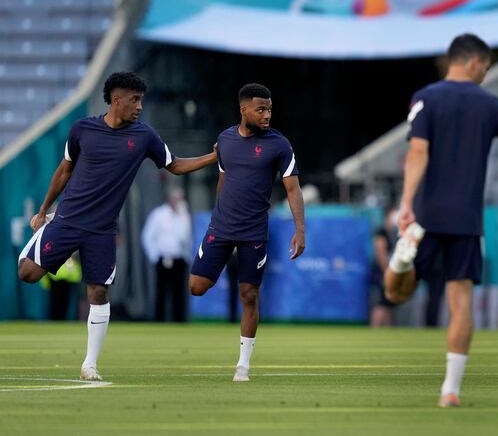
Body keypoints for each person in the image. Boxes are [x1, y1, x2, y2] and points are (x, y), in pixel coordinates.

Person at [17, 71, 218, 381]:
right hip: (67, 220)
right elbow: (63, 171)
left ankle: (90, 364)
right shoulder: (82, 129)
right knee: (27, 274)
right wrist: (44, 211)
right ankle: (45, 232)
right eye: (134, 100)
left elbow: (175, 166)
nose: (139, 106)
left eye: (141, 100)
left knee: (98, 291)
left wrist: (214, 157)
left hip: (102, 230)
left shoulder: (144, 136)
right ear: (115, 99)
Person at [383, 33, 498, 408]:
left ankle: (402, 258)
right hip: (467, 222)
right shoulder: (493, 105)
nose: (487, 74)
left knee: (396, 292)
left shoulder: (425, 98)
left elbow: (417, 152)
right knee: (461, 304)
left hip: (425, 216)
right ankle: (450, 391)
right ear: (474, 62)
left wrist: (406, 202)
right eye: (486, 67)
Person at [188, 83, 306, 382]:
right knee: (196, 287)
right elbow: (223, 180)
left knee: (249, 294)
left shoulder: (279, 145)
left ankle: (243, 366)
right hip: (221, 227)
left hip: (254, 231)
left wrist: (300, 230)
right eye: (260, 109)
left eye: (269, 109)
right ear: (244, 110)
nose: (267, 115)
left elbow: (293, 189)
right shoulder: (225, 139)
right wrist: (219, 211)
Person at [141, 186, 193, 322]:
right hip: (162, 259)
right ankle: (159, 320)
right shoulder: (158, 214)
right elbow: (147, 236)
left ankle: (179, 322)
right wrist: (154, 256)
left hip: (179, 259)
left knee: (179, 293)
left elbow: (185, 237)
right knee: (161, 292)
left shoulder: (184, 215)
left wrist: (182, 215)